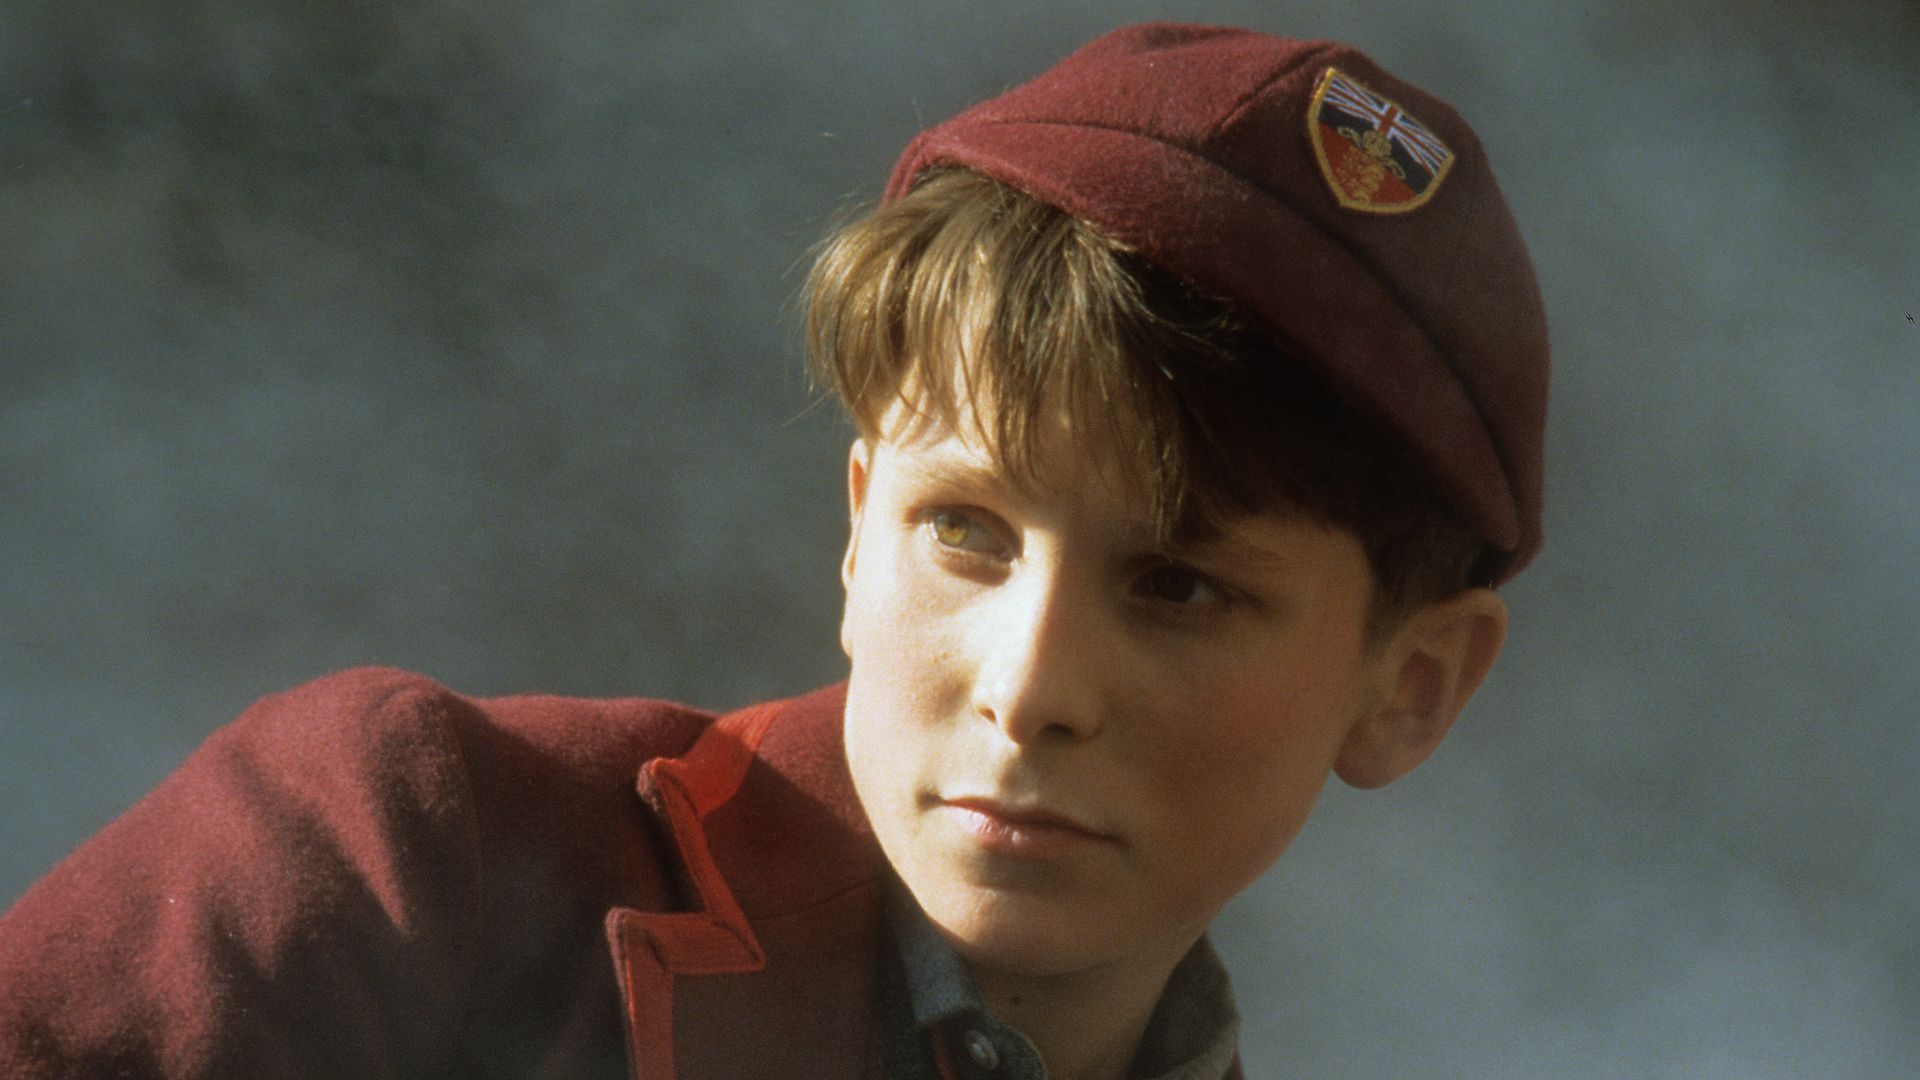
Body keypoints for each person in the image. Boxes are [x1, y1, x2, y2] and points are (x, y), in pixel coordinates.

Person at [0, 22, 1548, 1080]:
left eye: (1180, 585)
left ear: (1410, 687)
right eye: (968, 531)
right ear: (862, 523)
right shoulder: (409, 870)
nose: (1033, 686)